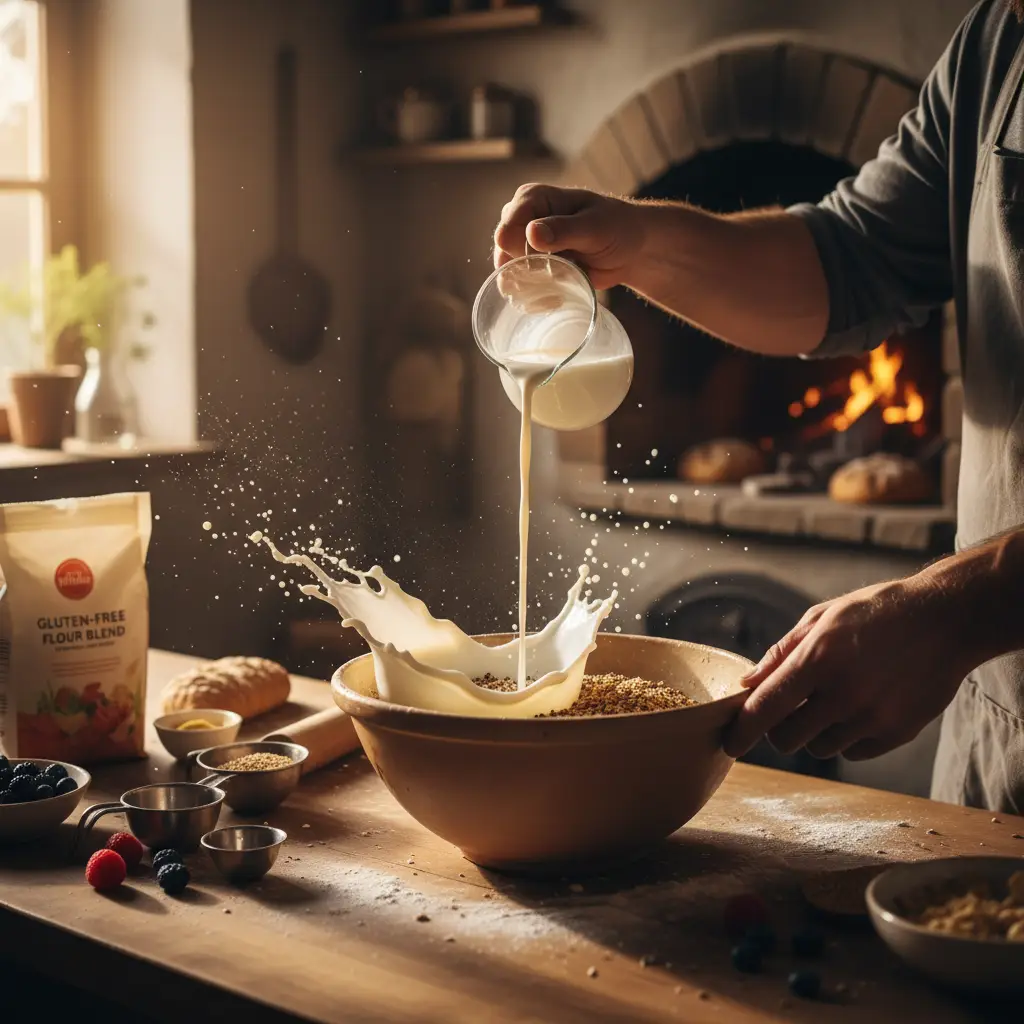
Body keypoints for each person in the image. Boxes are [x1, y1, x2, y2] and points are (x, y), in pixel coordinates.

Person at [492, 0, 1024, 813]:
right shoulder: (995, 43)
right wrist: (640, 244)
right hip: (1002, 739)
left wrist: (963, 607)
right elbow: (847, 259)